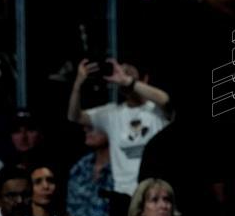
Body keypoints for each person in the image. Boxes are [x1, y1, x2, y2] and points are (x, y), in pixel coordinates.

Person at [67, 58, 171, 199]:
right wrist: (78, 84)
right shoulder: (112, 113)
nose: (121, 75)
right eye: (120, 72)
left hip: (155, 195)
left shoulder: (156, 109)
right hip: (124, 195)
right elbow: (75, 116)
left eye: (128, 72)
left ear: (144, 79)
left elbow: (164, 99)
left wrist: (128, 81)